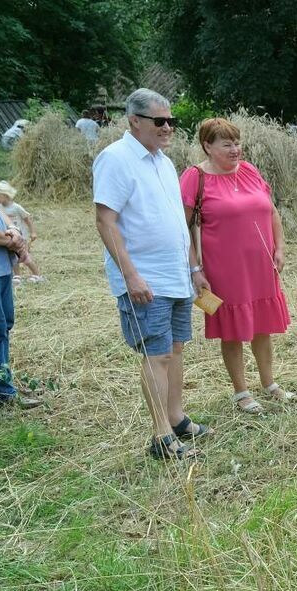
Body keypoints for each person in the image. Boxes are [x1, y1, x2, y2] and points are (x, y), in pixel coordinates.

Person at [93, 88, 212, 460]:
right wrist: (131, 275)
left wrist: (194, 268)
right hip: (146, 279)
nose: (167, 128)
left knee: (175, 350)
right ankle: (161, 437)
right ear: (135, 121)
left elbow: (179, 221)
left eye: (171, 121)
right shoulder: (115, 159)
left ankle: (176, 419)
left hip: (175, 275)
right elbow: (105, 219)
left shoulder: (163, 161)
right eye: (159, 121)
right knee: (156, 354)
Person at [180, 117, 295, 416]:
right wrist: (195, 270)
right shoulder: (195, 178)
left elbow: (271, 212)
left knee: (262, 326)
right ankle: (241, 392)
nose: (235, 150)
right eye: (227, 144)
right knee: (232, 329)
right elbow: (182, 229)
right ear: (207, 146)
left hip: (261, 265)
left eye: (237, 143)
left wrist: (280, 247)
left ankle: (269, 383)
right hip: (223, 268)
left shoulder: (250, 171)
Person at [0, 202, 41, 409]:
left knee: (4, 326)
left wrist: (14, 230)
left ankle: (3, 383)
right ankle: (3, 392)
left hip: (3, 268)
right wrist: (11, 241)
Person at [0, 181, 43, 283]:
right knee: (13, 257)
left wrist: (33, 232)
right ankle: (17, 275)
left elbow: (27, 219)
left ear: (4, 195)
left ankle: (37, 274)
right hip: (7, 237)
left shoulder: (16, 207)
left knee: (25, 256)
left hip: (19, 237)